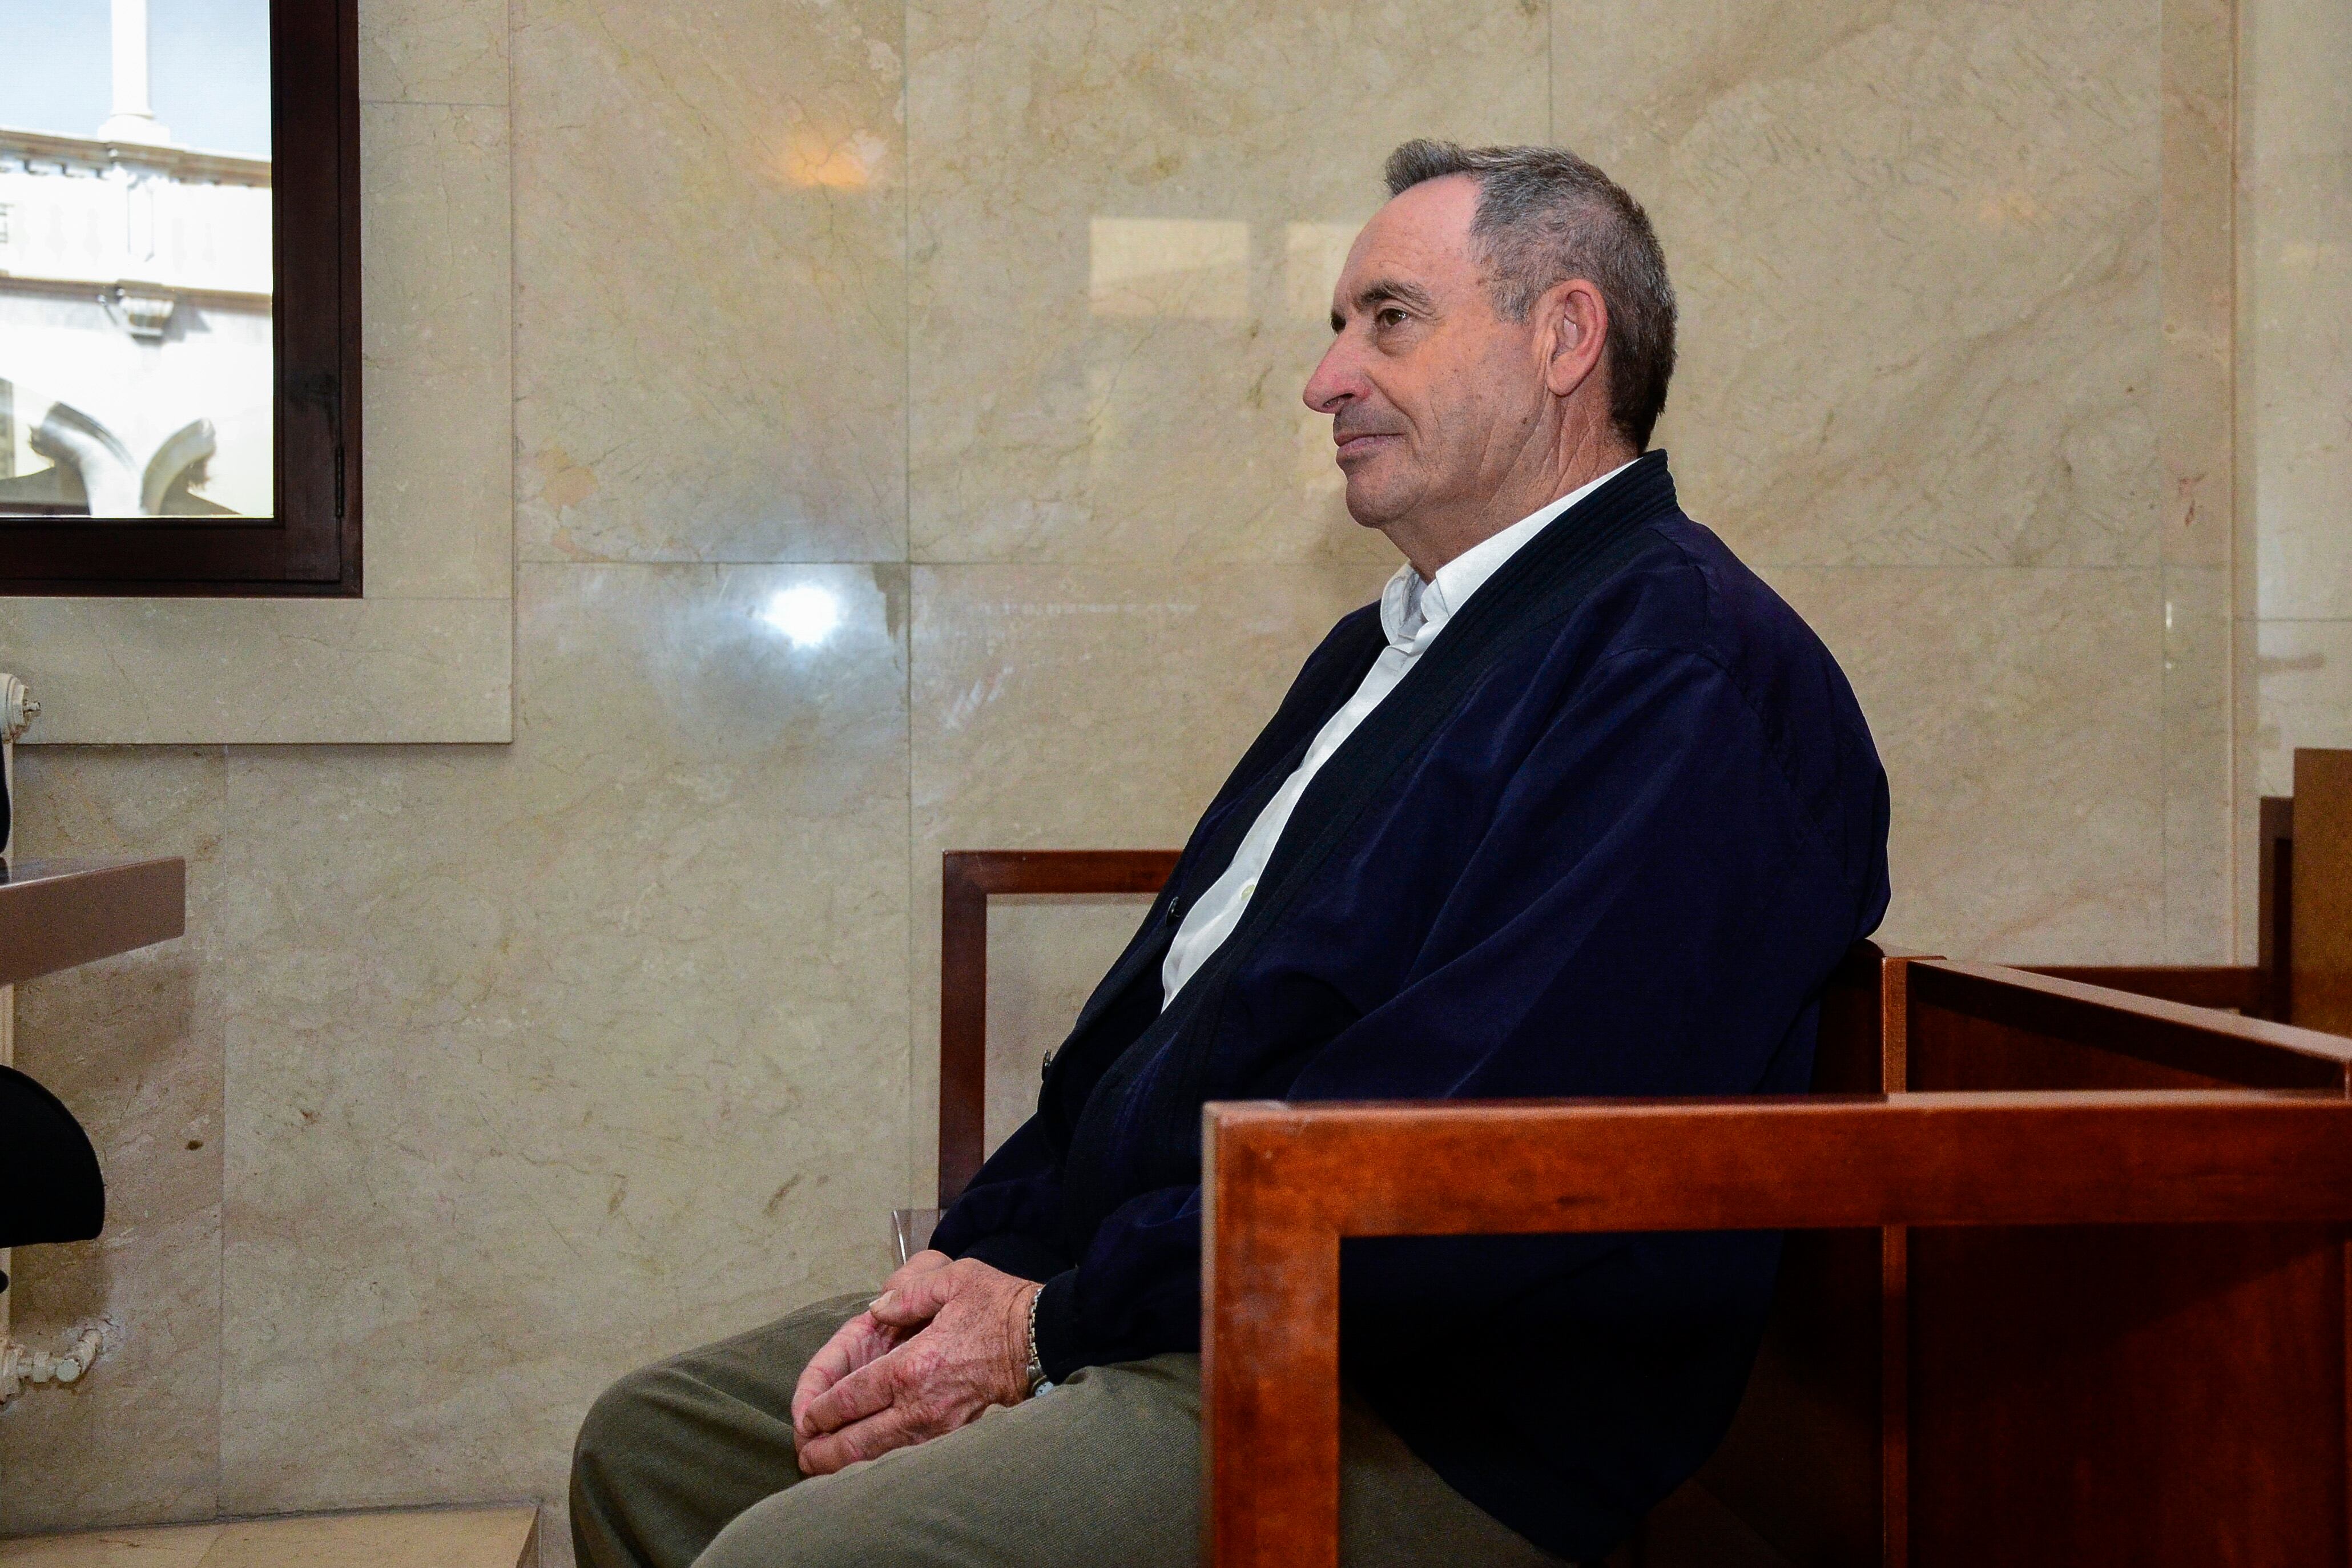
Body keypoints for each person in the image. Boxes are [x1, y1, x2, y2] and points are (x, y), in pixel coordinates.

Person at [571, 138, 1891, 1568]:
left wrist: (1042, 1328)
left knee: (788, 1561)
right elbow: (1155, 1038)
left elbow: (1460, 1159)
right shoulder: (1380, 649)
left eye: (1387, 318)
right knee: (648, 1449)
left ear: (1564, 335)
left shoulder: (1681, 666)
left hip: (1424, 1411)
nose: (1326, 379)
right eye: (1336, 328)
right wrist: (980, 1263)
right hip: (1184, 1306)